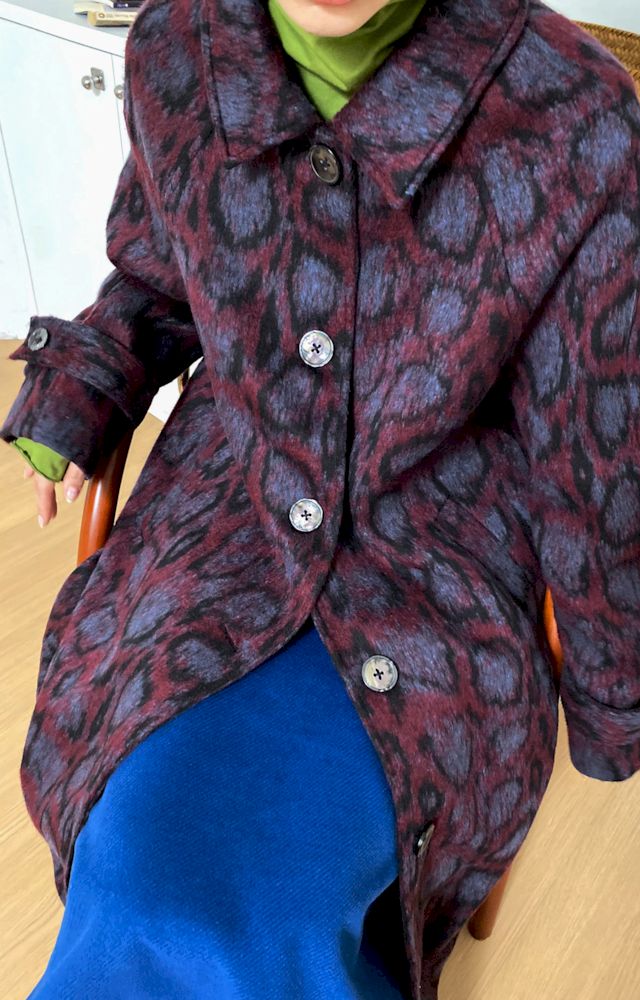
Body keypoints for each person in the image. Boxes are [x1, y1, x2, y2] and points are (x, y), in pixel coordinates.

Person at [13, 1, 429, 996]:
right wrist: (76, 399)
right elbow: (157, 278)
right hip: (229, 495)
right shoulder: (186, 47)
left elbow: (583, 392)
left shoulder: (547, 100)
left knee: (266, 905)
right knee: (137, 864)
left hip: (435, 519)